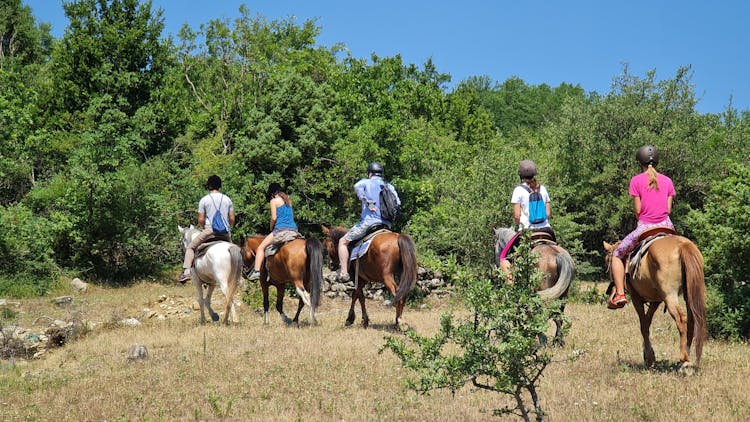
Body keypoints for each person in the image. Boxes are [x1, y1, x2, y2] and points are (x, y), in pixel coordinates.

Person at [608, 145, 675, 309]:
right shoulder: (667, 181)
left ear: (640, 163)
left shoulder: (636, 180)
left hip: (646, 227)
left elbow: (638, 210)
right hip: (667, 226)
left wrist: (644, 218)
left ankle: (620, 294)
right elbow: (668, 210)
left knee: (617, 254)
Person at [336, 162, 400, 282]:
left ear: (370, 173)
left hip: (369, 223)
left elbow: (356, 186)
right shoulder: (389, 186)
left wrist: (365, 200)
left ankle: (344, 273)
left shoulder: (366, 182)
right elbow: (398, 203)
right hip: (386, 224)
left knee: (343, 242)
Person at [499, 160, 555, 279]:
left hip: (528, 232)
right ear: (534, 175)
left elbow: (517, 216)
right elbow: (548, 214)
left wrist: (521, 225)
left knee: (503, 257)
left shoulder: (518, 190)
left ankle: (512, 286)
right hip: (547, 230)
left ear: (521, 176)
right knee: (556, 250)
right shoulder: (543, 189)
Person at [179, 175, 235, 283]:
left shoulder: (204, 200)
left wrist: (204, 228)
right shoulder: (227, 199)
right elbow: (232, 219)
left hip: (210, 231)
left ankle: (186, 272)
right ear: (219, 185)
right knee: (235, 250)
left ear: (209, 185)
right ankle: (242, 271)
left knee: (190, 248)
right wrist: (228, 227)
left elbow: (200, 220)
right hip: (225, 233)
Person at [248, 183, 299, 281]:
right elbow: (291, 216)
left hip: (280, 230)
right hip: (293, 230)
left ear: (271, 193)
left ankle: (257, 272)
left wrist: (271, 227)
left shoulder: (273, 201)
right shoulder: (288, 200)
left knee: (261, 248)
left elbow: (274, 217)